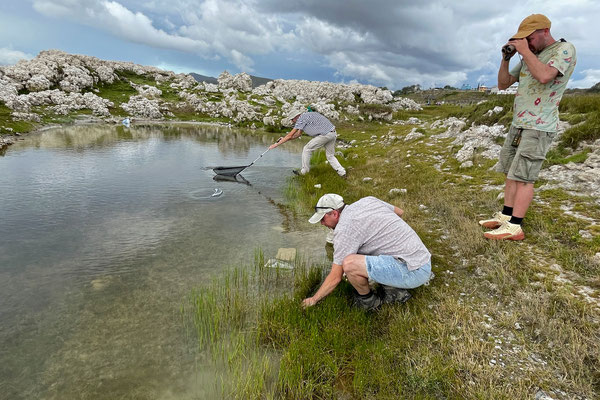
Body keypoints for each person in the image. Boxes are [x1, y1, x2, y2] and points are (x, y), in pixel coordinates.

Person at [480, 14, 576, 240]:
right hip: (520, 123)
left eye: (530, 39)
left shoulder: (564, 50)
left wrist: (524, 51)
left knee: (524, 176)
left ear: (544, 31)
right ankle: (506, 217)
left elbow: (544, 76)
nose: (528, 44)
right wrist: (506, 59)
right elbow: (503, 84)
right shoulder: (529, 56)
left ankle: (516, 226)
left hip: (539, 125)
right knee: (511, 173)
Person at [302, 194, 433, 311]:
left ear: (335, 214)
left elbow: (335, 277)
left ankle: (369, 301)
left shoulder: (345, 230)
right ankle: (392, 285)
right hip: (422, 258)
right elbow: (399, 212)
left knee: (349, 264)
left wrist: (314, 299)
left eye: (323, 219)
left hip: (413, 271)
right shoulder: (368, 201)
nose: (321, 223)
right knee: (364, 248)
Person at [269, 107, 346, 177]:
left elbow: (290, 135)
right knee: (330, 155)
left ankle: (305, 172)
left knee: (306, 149)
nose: (292, 122)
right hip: (332, 133)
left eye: (292, 120)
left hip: (325, 135)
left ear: (295, 117)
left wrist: (276, 145)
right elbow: (298, 134)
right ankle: (342, 173)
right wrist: (284, 139)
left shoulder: (301, 119)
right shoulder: (308, 115)